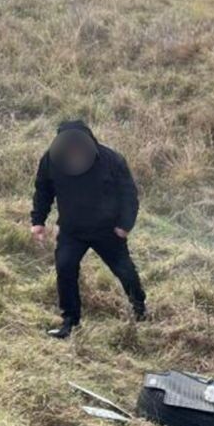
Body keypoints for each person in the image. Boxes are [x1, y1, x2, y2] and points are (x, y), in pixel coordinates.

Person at [30, 120, 146, 338]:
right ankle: (69, 322)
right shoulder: (52, 160)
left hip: (108, 231)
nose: (73, 150)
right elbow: (43, 190)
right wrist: (38, 221)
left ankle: (139, 309)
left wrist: (124, 226)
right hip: (72, 231)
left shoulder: (111, 159)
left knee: (125, 271)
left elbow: (129, 194)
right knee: (65, 269)